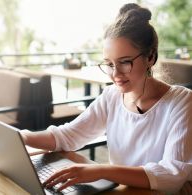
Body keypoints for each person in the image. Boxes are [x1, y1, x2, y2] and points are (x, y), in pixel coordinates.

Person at [21, 3, 192, 194]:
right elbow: (69, 136)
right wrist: (23, 137)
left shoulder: (182, 102)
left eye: (125, 62)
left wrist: (101, 170)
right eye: (109, 64)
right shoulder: (112, 96)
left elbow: (172, 175)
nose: (115, 74)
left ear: (150, 57)